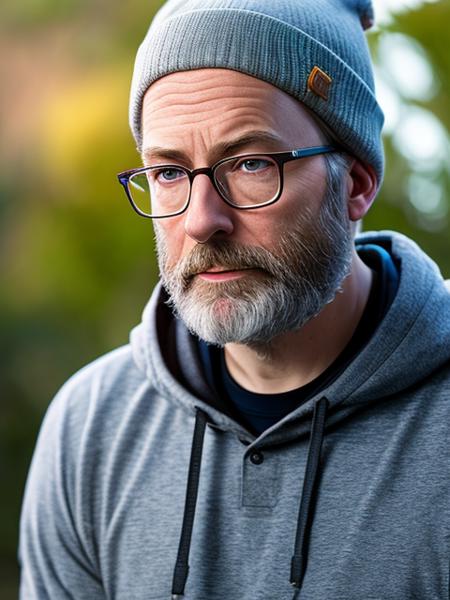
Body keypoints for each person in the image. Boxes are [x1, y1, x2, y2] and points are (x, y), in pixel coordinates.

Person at [19, 0, 450, 598]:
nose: (201, 221)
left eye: (250, 163)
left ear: (355, 184)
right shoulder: (91, 428)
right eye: (169, 172)